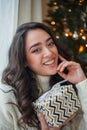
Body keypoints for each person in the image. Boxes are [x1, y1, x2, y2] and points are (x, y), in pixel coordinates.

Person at [0, 22, 87, 130]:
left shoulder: (70, 90)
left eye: (50, 44)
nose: (49, 53)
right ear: (24, 60)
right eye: (36, 50)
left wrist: (81, 82)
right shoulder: (7, 99)